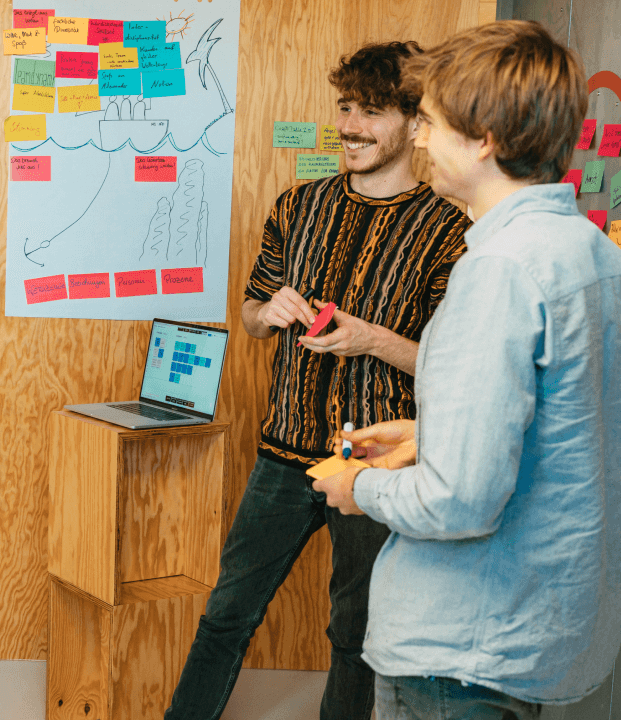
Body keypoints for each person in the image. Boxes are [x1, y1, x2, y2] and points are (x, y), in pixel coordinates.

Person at [314, 20, 620, 720]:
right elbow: (569, 424)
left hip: (459, 649)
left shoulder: (498, 272)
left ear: (482, 139)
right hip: (535, 630)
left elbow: (457, 501)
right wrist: (429, 435)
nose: (420, 140)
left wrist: (358, 486)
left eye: (430, 122)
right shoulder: (590, 251)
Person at [166, 42, 472, 720]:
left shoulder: (449, 230)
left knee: (354, 635)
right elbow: (250, 316)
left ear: (414, 123)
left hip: (375, 465)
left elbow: (452, 366)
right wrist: (265, 312)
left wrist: (371, 339)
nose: (351, 127)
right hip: (284, 452)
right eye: (346, 107)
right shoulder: (297, 204)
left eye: (373, 111)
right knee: (226, 614)